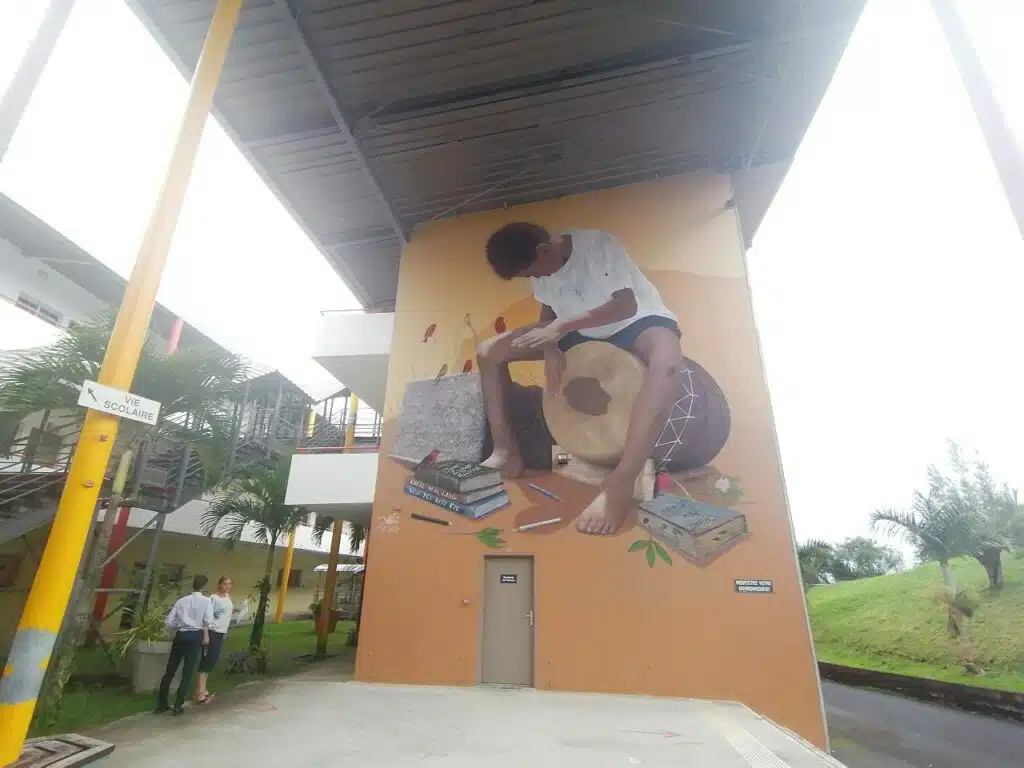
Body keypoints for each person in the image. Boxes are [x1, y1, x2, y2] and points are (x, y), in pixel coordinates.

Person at [479, 223, 683, 536]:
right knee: (488, 352)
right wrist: (549, 348)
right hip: (573, 332)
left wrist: (559, 330)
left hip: (635, 322)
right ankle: (507, 453)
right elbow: (547, 310)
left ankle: (621, 481)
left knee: (667, 360)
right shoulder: (540, 268)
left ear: (544, 249)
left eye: (535, 271)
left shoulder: (598, 245)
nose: (537, 279)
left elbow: (624, 304)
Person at [155, 574, 213, 715]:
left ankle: (161, 703)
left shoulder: (181, 601)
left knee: (170, 670)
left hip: (181, 635)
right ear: (204, 586)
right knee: (187, 671)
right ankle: (178, 705)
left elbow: (169, 621)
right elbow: (209, 620)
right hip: (195, 635)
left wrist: (180, 625)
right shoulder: (206, 601)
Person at [195, 576, 233, 704]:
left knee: (212, 660)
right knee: (207, 660)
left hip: (221, 632)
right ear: (219, 585)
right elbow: (206, 617)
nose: (227, 586)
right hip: (212, 631)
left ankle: (204, 689)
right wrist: (206, 634)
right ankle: (200, 692)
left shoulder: (228, 598)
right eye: (225, 584)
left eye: (229, 584)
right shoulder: (213, 599)